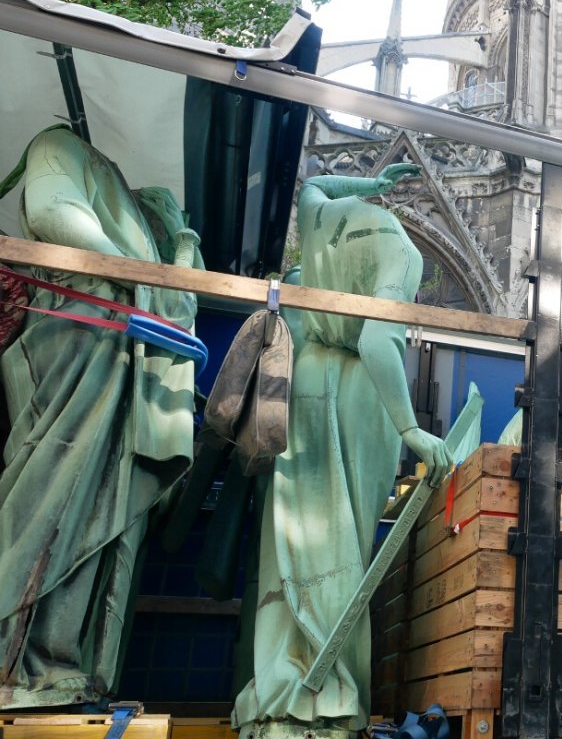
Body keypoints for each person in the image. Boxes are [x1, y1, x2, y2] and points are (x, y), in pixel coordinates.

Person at [233, 164, 453, 737]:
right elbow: (379, 340)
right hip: (357, 392)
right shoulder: (402, 253)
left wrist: (370, 181)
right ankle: (329, 694)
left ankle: (277, 678)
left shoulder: (321, 216)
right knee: (343, 538)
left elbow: (311, 183)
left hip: (300, 383)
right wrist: (411, 430)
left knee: (290, 538)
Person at [0, 126, 201, 708]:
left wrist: (178, 252)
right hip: (82, 340)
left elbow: (179, 302)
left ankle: (69, 664)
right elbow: (53, 210)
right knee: (53, 496)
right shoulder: (61, 145)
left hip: (117, 357)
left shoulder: (148, 241)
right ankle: (25, 660)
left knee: (104, 519)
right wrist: (142, 270)